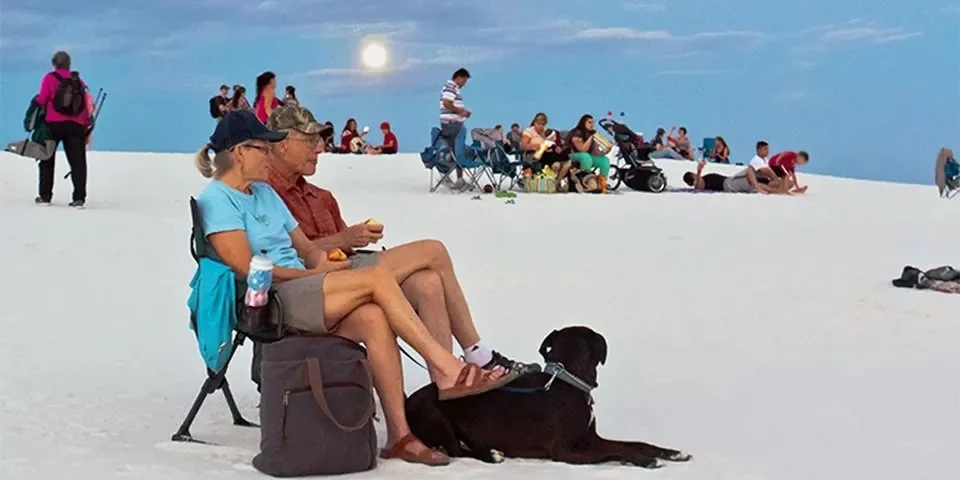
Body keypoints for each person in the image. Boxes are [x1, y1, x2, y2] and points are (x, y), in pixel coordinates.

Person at [193, 110, 521, 466]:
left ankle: (401, 436)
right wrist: (317, 276)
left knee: (373, 317)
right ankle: (446, 368)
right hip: (270, 301)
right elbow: (248, 270)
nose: (268, 154)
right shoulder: (218, 200)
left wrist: (332, 266)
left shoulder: (264, 195)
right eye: (262, 148)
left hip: (306, 284)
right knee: (377, 278)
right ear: (240, 151)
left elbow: (307, 250)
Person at [263, 105, 537, 376]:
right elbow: (281, 255)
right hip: (312, 291)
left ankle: (447, 386)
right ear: (282, 143)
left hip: (346, 276)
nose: (320, 148)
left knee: (427, 283)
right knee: (434, 250)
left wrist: (354, 238)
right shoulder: (262, 195)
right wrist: (342, 238)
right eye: (310, 141)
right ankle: (477, 353)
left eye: (320, 141)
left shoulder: (320, 196)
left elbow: (340, 248)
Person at [34, 50, 94, 208]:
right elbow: (86, 105)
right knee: (78, 162)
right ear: (69, 64)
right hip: (76, 126)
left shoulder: (49, 78)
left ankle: (45, 196)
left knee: (47, 158)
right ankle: (79, 198)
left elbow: (42, 99)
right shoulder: (78, 81)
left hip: (53, 124)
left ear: (54, 64)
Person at [520, 112, 570, 190]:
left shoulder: (545, 131)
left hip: (547, 154)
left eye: (543, 124)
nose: (541, 126)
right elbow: (523, 146)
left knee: (565, 162)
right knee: (556, 164)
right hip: (534, 155)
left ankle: (556, 183)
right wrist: (535, 147)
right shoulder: (529, 132)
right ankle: (552, 183)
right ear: (535, 123)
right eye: (539, 124)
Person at [439, 68, 471, 188]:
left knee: (454, 151)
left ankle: (455, 178)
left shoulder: (451, 88)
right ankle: (459, 179)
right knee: (458, 151)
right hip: (453, 124)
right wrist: (461, 112)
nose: (464, 84)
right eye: (464, 81)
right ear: (459, 78)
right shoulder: (450, 87)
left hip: (451, 123)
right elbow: (447, 103)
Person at [681, 159, 791, 194]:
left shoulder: (703, 180)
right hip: (729, 185)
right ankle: (778, 188)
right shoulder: (699, 185)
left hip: (731, 180)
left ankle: (779, 183)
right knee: (752, 176)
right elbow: (699, 185)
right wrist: (699, 170)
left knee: (756, 172)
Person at [567, 114, 612, 193]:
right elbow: (582, 149)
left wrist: (606, 150)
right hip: (571, 155)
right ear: (583, 123)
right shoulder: (577, 133)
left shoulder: (592, 133)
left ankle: (601, 183)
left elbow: (595, 152)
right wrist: (590, 138)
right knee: (586, 156)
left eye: (593, 123)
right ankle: (586, 181)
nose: (592, 125)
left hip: (587, 156)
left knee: (604, 160)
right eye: (589, 122)